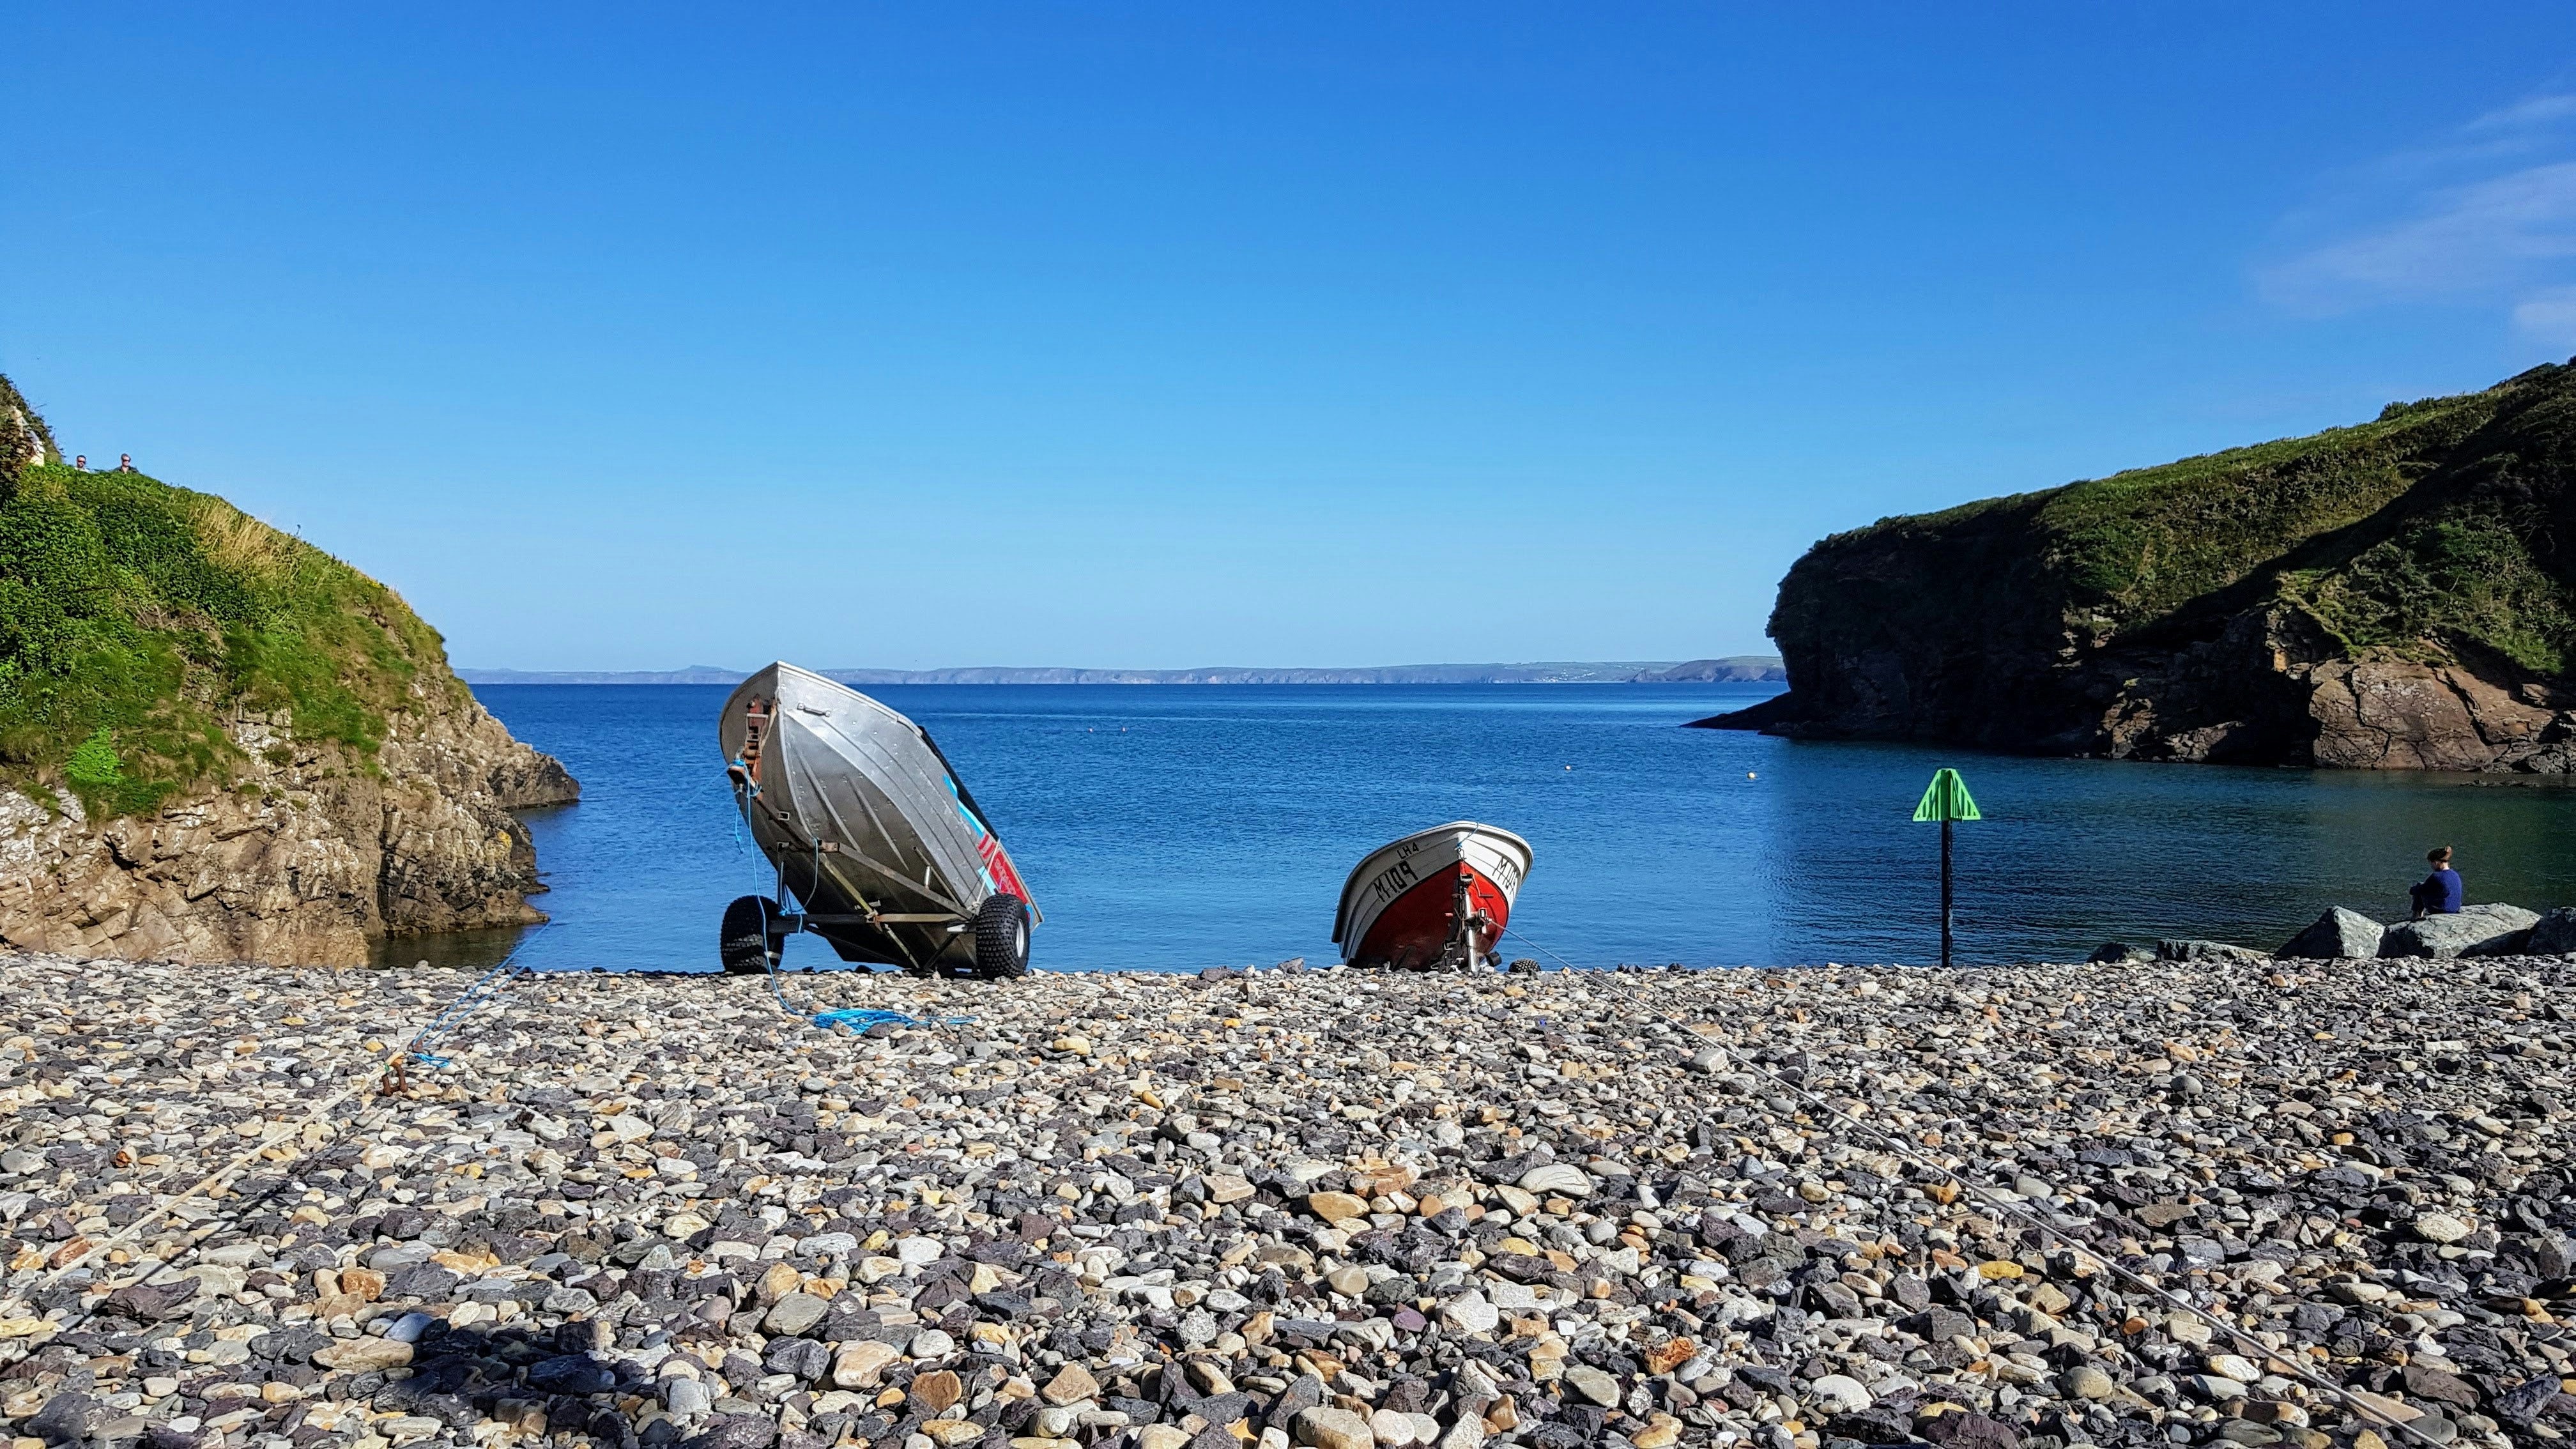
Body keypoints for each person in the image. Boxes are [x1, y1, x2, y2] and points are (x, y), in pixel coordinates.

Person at [2409, 846, 2463, 919]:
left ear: (2436, 862)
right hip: (2454, 909)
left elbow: (2421, 889)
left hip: (2442, 910)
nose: (2431, 866)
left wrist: (2412, 890)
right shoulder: (2455, 875)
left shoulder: (2437, 876)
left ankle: (2416, 916)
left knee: (2420, 887)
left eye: (2432, 863)